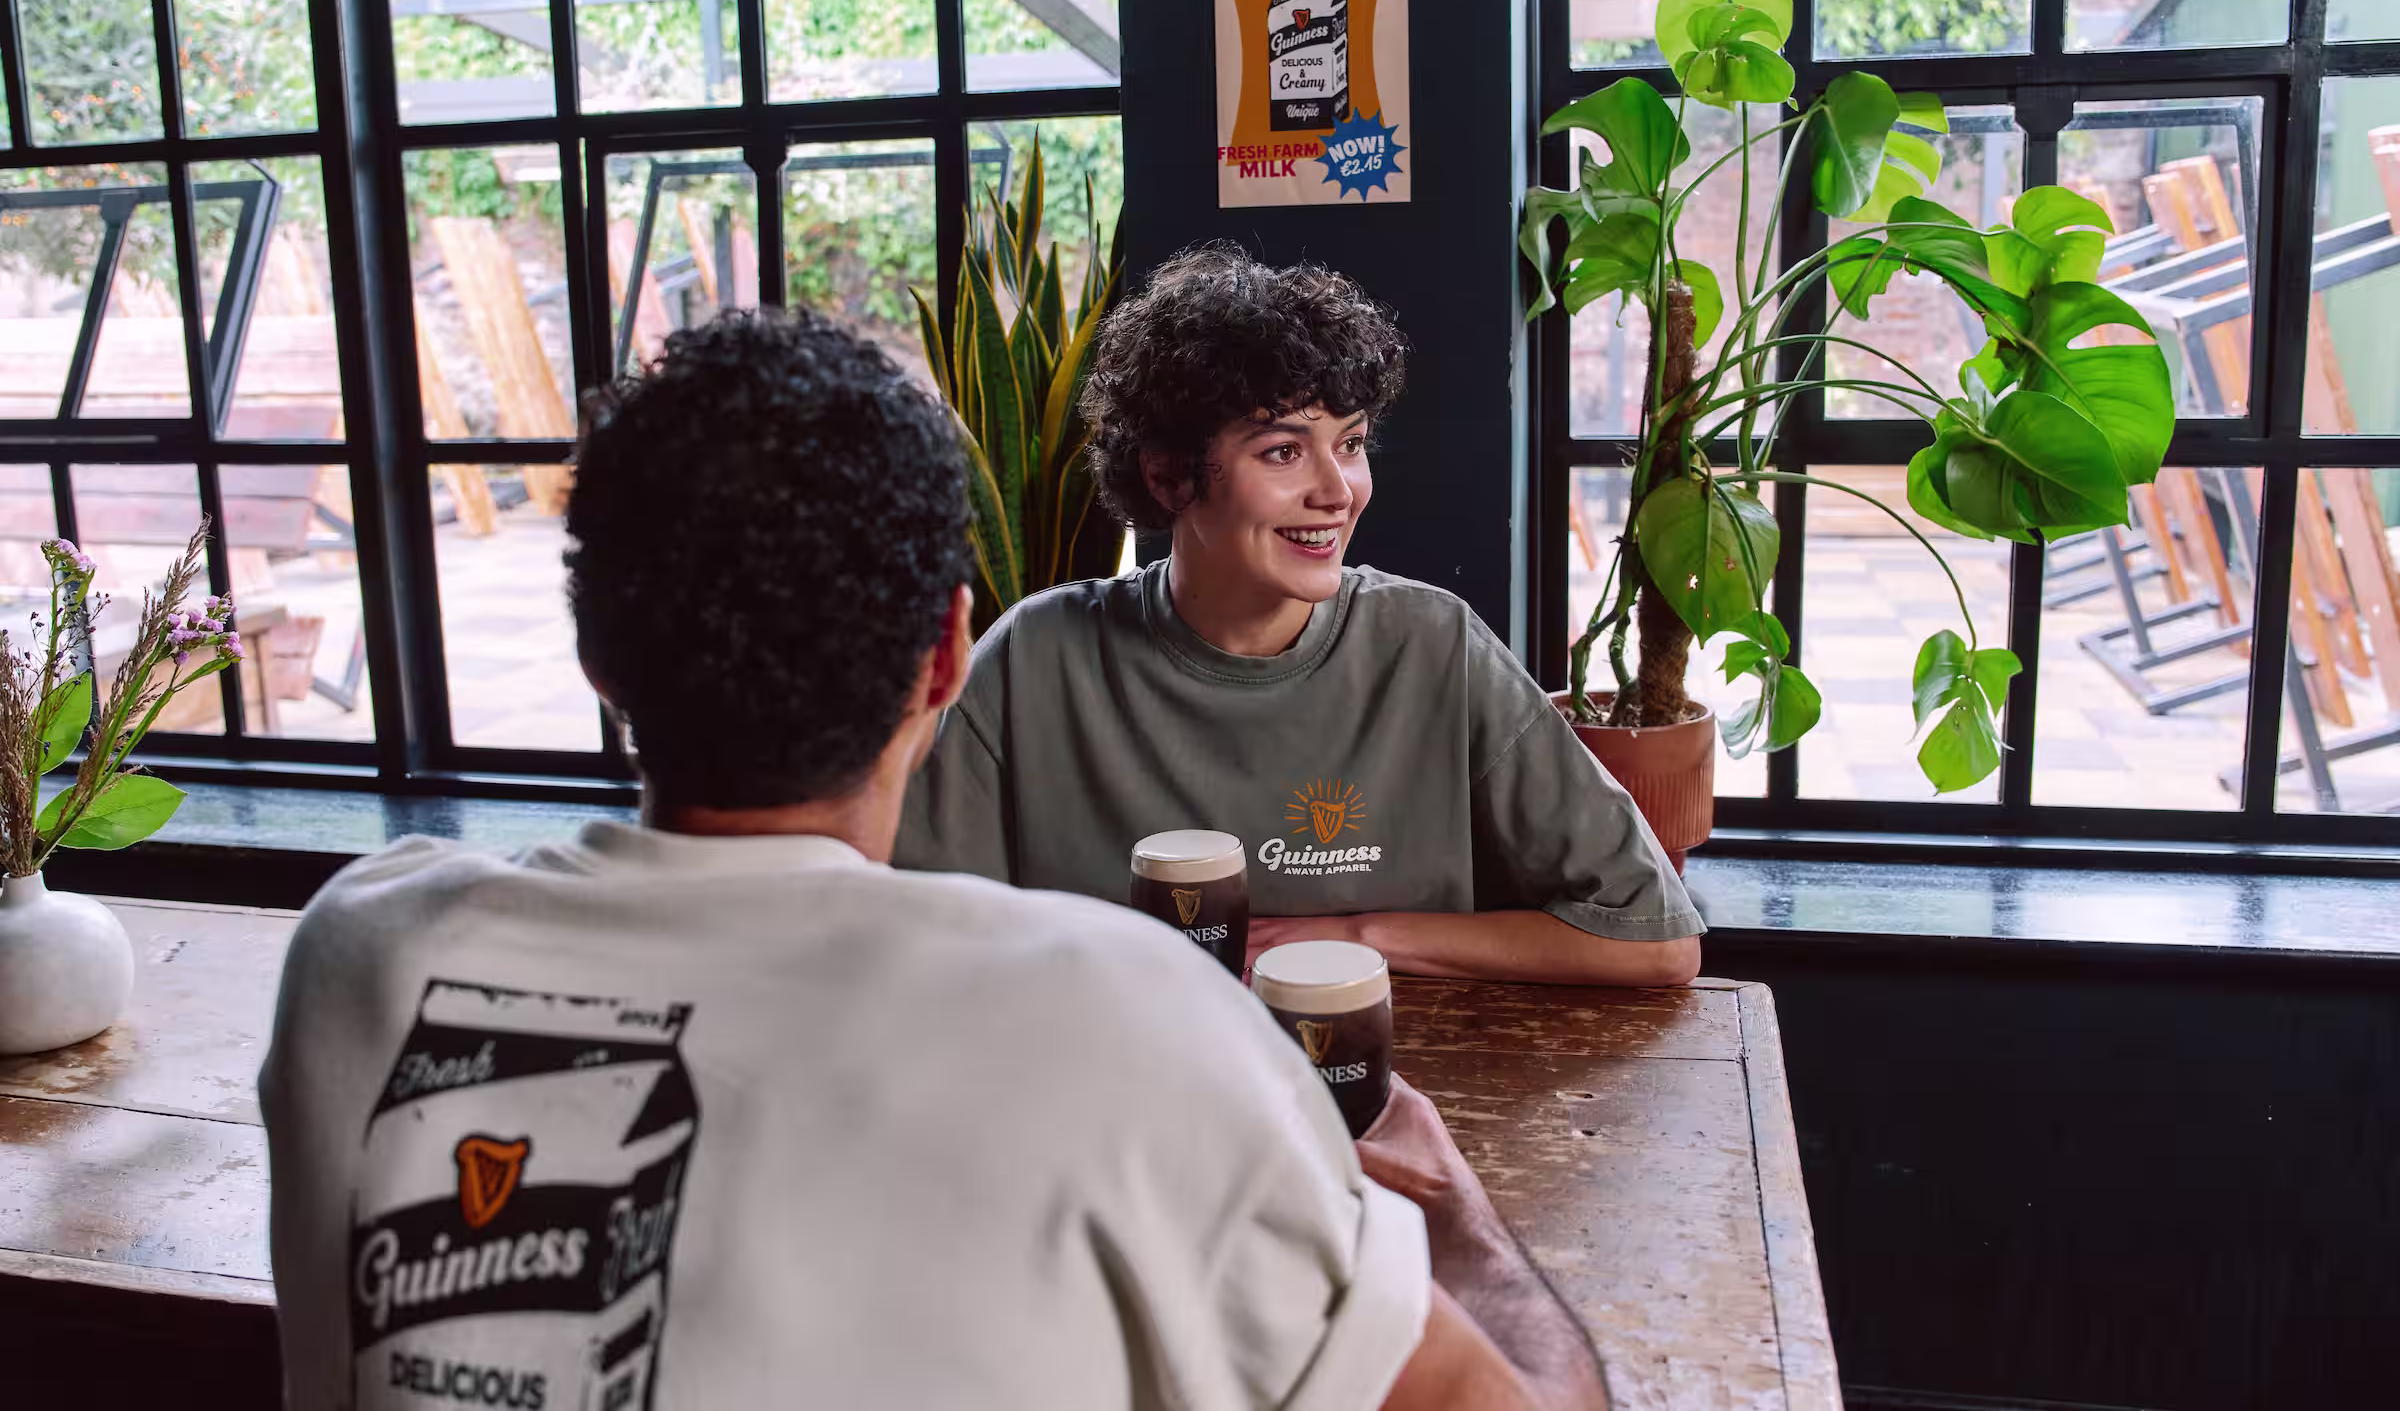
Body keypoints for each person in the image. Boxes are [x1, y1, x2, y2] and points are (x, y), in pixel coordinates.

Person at [258, 310, 1606, 1410]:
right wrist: (1460, 1220)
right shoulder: (1138, 1017)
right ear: (951, 655)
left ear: (597, 661)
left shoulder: (362, 954)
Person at [897, 246, 1704, 987]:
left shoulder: (1434, 646)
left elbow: (1657, 940)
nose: (1337, 491)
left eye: (1350, 444)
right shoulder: (1035, 658)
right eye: (1283, 452)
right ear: (1170, 477)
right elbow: (913, 944)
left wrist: (1357, 935)